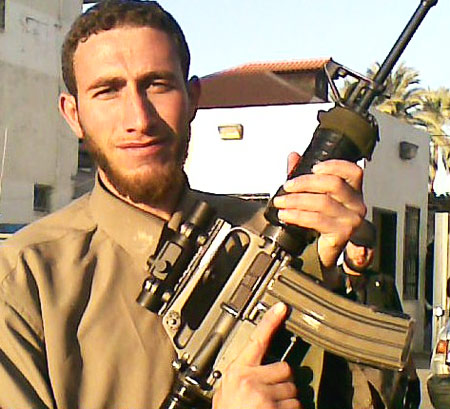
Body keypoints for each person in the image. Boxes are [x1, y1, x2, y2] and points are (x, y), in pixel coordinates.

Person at [0, 1, 369, 408]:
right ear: (73, 115)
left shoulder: (262, 232)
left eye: (157, 85)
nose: (139, 119)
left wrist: (349, 271)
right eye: (108, 91)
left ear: (193, 98)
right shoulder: (23, 280)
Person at [337, 219, 421, 409]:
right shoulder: (333, 282)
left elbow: (401, 335)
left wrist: (412, 378)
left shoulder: (384, 285)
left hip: (382, 386)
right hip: (342, 385)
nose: (362, 253)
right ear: (346, 244)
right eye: (357, 245)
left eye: (368, 247)